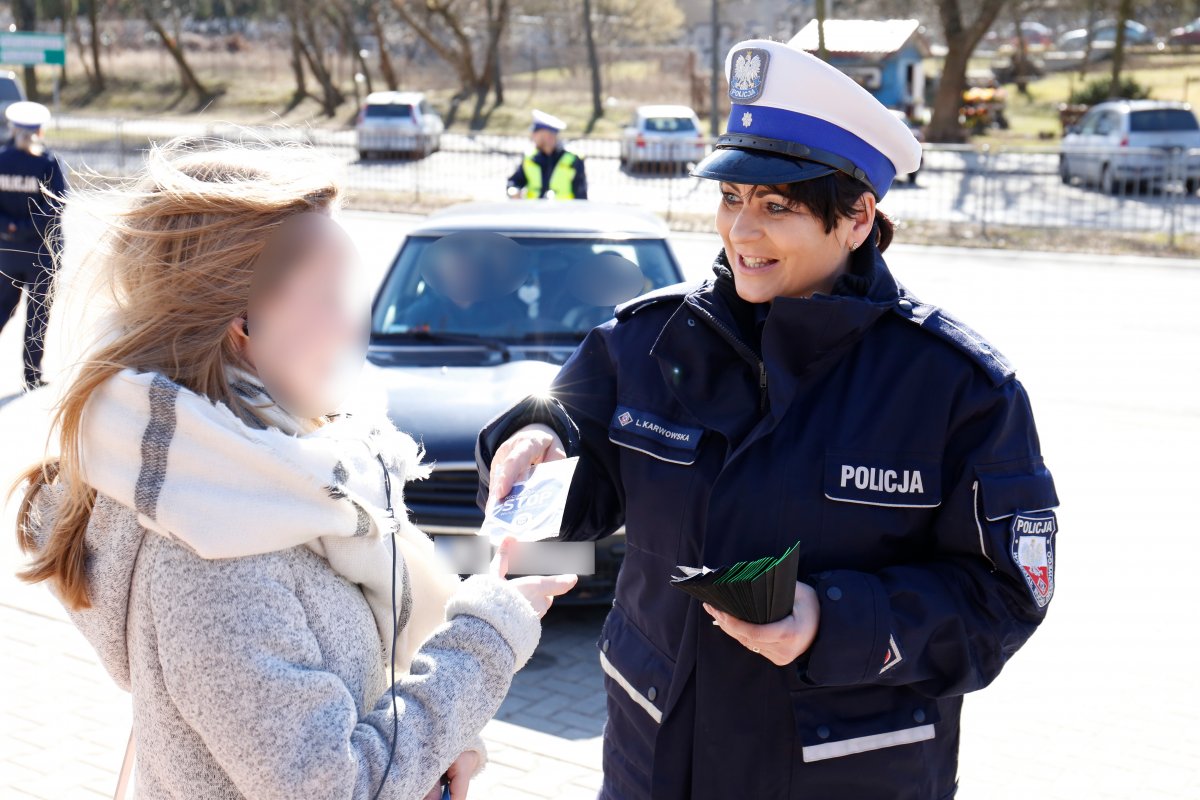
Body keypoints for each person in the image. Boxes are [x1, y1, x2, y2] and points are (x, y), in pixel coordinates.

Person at [477, 39, 1058, 799]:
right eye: (731, 198)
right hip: (656, 766)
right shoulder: (647, 342)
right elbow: (567, 455)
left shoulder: (958, 389)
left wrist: (831, 622)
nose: (741, 232)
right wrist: (537, 435)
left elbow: (1005, 596)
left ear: (857, 218)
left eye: (777, 206)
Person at [11, 141, 576, 799]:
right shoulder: (215, 553)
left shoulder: (271, 487)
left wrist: (439, 752)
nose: (353, 327)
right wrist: (485, 639)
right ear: (243, 320)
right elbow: (334, 787)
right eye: (333, 296)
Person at [0, 101, 67, 390]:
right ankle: (31, 375)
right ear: (40, 130)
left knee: (2, 309)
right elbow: (55, 206)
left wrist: (9, 228)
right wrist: (26, 228)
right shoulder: (47, 164)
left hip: (7, 252)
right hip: (42, 253)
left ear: (12, 128)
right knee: (38, 314)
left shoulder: (1, 160)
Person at [506, 110, 588, 200]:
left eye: (535, 133)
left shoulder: (573, 159)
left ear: (546, 135)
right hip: (533, 212)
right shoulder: (530, 157)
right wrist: (513, 190)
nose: (532, 137)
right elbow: (515, 181)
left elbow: (581, 196)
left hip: (563, 212)